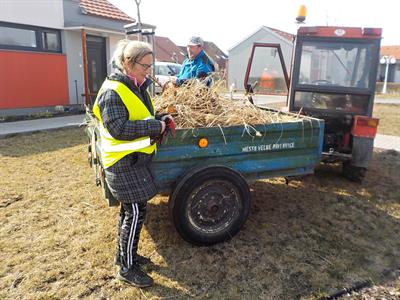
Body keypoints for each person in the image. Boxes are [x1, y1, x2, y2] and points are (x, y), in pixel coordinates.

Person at [92, 40, 172, 288]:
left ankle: (124, 255)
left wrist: (161, 118)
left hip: (134, 161)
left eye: (150, 65)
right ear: (128, 63)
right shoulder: (113, 91)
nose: (148, 70)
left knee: (131, 212)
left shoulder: (136, 86)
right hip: (122, 163)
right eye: (145, 65)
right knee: (135, 212)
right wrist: (154, 126)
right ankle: (127, 268)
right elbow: (118, 128)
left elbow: (141, 116)